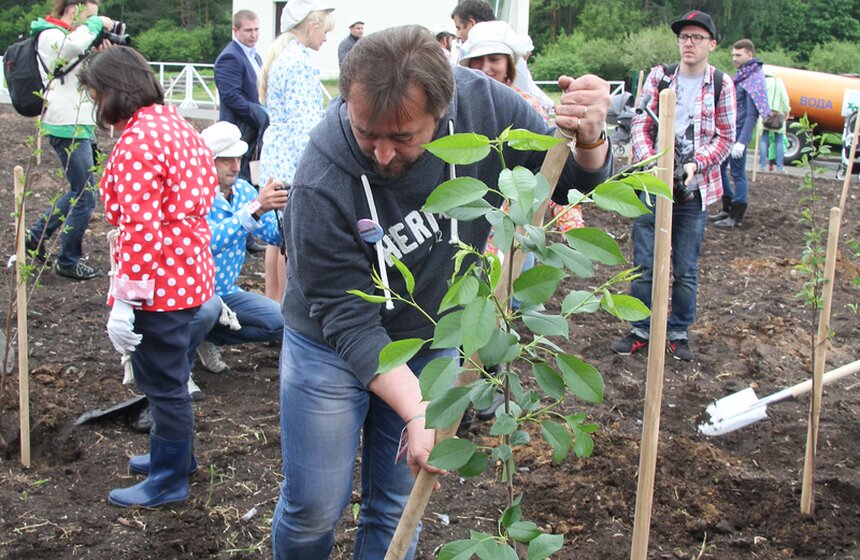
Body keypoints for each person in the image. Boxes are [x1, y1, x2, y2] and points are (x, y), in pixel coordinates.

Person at [271, 24, 612, 559]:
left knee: (397, 504)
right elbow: (345, 317)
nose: (381, 154)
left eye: (402, 137)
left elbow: (565, 180)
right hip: (330, 347)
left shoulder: (483, 108)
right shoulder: (320, 180)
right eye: (366, 133)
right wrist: (419, 410)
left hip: (433, 335)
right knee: (314, 504)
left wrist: (590, 137)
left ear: (444, 110)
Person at [80, 46, 217, 507]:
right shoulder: (176, 124)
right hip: (189, 272)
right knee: (171, 374)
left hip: (160, 281)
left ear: (113, 92)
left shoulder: (139, 141)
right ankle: (176, 457)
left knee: (162, 381)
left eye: (97, 94)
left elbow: (141, 228)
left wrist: (125, 299)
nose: (97, 106)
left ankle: (168, 477)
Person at [611, 10, 736, 362]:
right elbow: (639, 121)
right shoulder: (660, 77)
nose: (689, 44)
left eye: (697, 38)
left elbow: (725, 138)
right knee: (645, 262)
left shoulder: (721, 84)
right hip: (653, 183)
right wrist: (654, 162)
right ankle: (640, 329)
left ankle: (678, 331)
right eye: (684, 37)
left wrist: (694, 164)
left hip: (694, 188)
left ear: (711, 44)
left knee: (684, 268)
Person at [187, 122, 287, 383]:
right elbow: (207, 242)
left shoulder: (243, 190)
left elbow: (271, 235)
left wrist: (288, 213)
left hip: (226, 291)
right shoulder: (192, 194)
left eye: (238, 158)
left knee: (279, 322)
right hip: (190, 294)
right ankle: (177, 368)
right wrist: (254, 209)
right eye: (226, 160)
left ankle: (203, 337)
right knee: (205, 311)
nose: (235, 166)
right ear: (207, 161)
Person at [24, 0, 116, 280]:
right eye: (91, 11)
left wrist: (99, 54)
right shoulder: (49, 34)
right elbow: (70, 48)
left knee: (82, 191)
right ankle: (67, 259)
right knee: (85, 194)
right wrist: (97, 25)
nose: (94, 18)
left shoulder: (73, 37)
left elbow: (84, 76)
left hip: (80, 124)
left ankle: (37, 237)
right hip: (66, 125)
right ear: (73, 7)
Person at [258, 0, 335, 304]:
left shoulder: (283, 56)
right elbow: (306, 126)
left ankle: (272, 301)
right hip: (292, 161)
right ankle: (287, 306)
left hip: (276, 157)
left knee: (277, 239)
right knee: (290, 239)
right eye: (324, 30)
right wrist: (316, 165)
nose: (326, 38)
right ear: (310, 26)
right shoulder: (300, 62)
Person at [450, 0, 554, 113]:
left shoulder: (526, 108)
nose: (485, 68)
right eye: (477, 59)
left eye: (494, 59)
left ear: (509, 66)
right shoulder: (457, 105)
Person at [713, 39, 769, 230]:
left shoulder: (755, 79)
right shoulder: (743, 76)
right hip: (728, 132)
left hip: (739, 135)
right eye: (733, 55)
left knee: (737, 172)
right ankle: (727, 207)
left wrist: (742, 142)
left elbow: (752, 115)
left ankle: (736, 215)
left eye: (738, 55)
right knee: (720, 168)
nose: (735, 59)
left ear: (749, 55)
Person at [214, 10, 268, 183]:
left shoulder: (255, 56)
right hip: (240, 130)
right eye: (248, 30)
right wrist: (260, 114)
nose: (254, 35)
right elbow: (231, 97)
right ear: (235, 31)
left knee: (253, 179)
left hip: (254, 130)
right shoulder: (230, 57)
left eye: (256, 29)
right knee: (240, 179)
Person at [759, 73, 790, 173]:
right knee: (779, 140)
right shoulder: (780, 82)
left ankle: (762, 166)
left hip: (765, 114)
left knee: (764, 139)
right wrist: (787, 110)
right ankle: (780, 167)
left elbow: (760, 98)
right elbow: (785, 98)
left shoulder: (764, 82)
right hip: (778, 115)